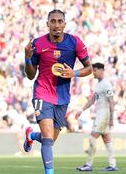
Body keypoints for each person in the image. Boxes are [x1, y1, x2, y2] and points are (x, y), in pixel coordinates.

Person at [23, 9, 92, 174]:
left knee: (49, 140)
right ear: (47, 24)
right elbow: (31, 76)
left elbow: (89, 68)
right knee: (47, 140)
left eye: (60, 21)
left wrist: (73, 73)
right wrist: (27, 58)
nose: (56, 25)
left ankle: (31, 136)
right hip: (42, 93)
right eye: (53, 21)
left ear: (64, 24)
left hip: (62, 98)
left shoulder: (75, 43)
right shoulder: (38, 44)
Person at [76, 62, 118, 171]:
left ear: (101, 70)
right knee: (107, 139)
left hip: (104, 114)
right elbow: (92, 99)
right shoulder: (98, 84)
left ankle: (88, 164)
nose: (93, 73)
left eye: (95, 70)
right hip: (101, 114)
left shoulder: (106, 84)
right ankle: (112, 165)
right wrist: (82, 109)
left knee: (92, 137)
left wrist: (111, 119)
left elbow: (111, 102)